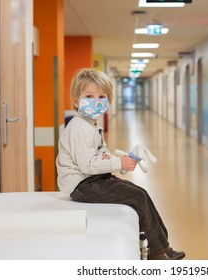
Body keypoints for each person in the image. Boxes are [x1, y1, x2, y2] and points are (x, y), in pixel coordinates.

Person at [56, 68, 185, 260]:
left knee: (141, 193)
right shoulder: (79, 128)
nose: (96, 101)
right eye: (89, 96)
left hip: (94, 179)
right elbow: (87, 166)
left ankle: (163, 246)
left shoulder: (91, 125)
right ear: (76, 101)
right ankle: (157, 254)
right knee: (137, 197)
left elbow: (99, 157)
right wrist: (118, 163)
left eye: (102, 96)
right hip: (82, 185)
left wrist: (119, 162)